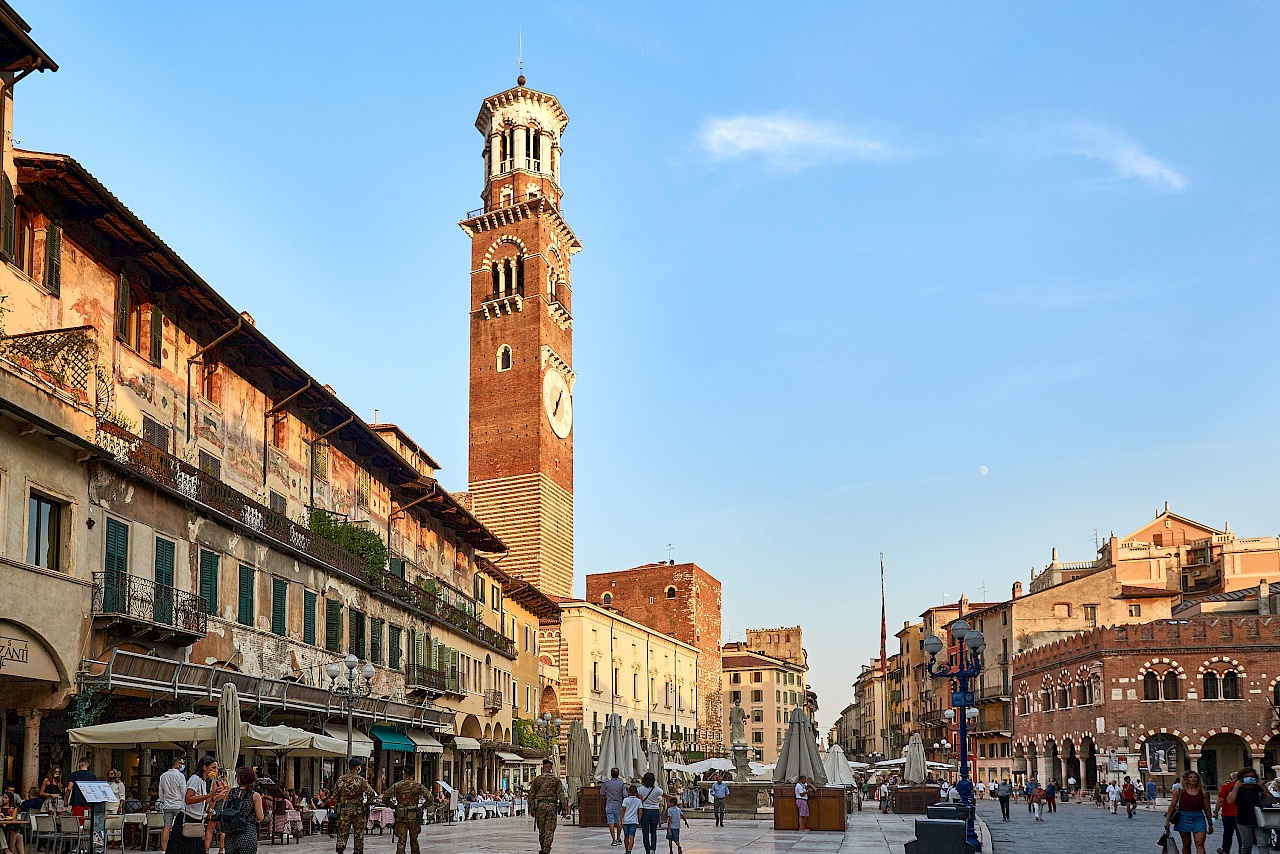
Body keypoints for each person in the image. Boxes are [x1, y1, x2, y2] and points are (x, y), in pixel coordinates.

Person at [1226, 766, 1276, 854]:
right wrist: (1236, 787)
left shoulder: (1258, 788)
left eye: (1252, 777)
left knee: (1262, 844)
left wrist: (1263, 787)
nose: (1249, 779)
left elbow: (1271, 800)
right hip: (1243, 818)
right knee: (1246, 845)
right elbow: (1230, 800)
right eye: (1246, 777)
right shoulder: (1238, 788)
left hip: (1260, 818)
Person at [1165, 770, 1213, 854]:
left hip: (1198, 817)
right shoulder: (1179, 792)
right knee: (1186, 844)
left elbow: (1207, 809)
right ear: (1186, 779)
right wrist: (1167, 821)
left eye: (1195, 777)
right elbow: (1172, 806)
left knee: (1200, 843)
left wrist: (1210, 823)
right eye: (1190, 777)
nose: (1193, 779)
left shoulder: (1203, 793)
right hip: (1183, 817)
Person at [333, 758, 375, 854]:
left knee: (343, 831)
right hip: (358, 810)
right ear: (357, 768)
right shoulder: (360, 780)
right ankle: (358, 851)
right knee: (358, 833)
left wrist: (340, 803)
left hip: (344, 810)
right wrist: (367, 803)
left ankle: (340, 848)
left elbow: (335, 796)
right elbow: (371, 793)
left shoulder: (341, 779)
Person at [383, 765, 427, 854]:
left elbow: (385, 798)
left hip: (401, 816)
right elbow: (430, 798)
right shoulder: (418, 786)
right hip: (414, 816)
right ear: (413, 774)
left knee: (401, 840)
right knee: (414, 840)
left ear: (404, 773)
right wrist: (422, 806)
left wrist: (393, 806)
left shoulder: (397, 785)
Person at [220, 766, 264, 854]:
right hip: (247, 832)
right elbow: (260, 817)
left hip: (231, 833)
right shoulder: (254, 795)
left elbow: (224, 809)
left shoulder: (231, 792)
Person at [529, 758, 566, 854]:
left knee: (541, 828)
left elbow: (531, 794)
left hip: (540, 806)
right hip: (552, 806)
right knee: (550, 828)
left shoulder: (537, 780)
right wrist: (564, 808)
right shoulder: (556, 780)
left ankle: (543, 847)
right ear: (551, 768)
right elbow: (561, 795)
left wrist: (531, 808)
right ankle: (546, 849)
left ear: (543, 767)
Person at [637, 772, 665, 854]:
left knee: (645, 832)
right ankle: (653, 848)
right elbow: (665, 795)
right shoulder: (657, 789)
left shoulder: (640, 789)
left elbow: (639, 799)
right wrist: (673, 797)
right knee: (653, 831)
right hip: (655, 811)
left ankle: (647, 850)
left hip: (645, 811)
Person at [1215, 771, 1240, 854]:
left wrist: (1216, 811)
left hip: (1228, 814)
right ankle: (1242, 850)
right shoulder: (1243, 786)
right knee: (1241, 835)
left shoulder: (1226, 787)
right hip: (1240, 813)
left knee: (1227, 833)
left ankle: (1225, 850)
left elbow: (1220, 800)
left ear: (1230, 778)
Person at [601, 767, 627, 847]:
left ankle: (613, 839)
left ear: (611, 774)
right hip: (618, 805)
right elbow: (625, 795)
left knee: (610, 822)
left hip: (609, 805)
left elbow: (601, 792)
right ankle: (619, 838)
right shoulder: (621, 783)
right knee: (619, 822)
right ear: (618, 774)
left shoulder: (606, 783)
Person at [621, 786, 641, 854]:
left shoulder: (625, 800)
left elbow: (623, 810)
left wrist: (621, 819)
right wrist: (639, 819)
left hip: (626, 820)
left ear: (628, 792)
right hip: (634, 821)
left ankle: (626, 850)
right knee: (632, 837)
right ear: (636, 792)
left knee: (626, 836)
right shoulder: (638, 801)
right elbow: (640, 810)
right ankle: (629, 851)